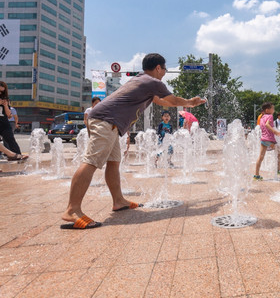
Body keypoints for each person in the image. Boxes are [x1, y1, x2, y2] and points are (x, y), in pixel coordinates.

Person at [60, 53, 206, 230]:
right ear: (158, 68)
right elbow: (172, 100)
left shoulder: (141, 81)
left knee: (113, 162)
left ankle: (118, 201)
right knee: (91, 162)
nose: (165, 73)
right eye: (164, 69)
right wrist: (190, 102)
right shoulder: (152, 82)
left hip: (110, 123)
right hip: (105, 121)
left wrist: (185, 103)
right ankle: (72, 210)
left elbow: (161, 101)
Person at [253, 102, 280, 181]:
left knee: (260, 157)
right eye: (272, 108)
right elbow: (267, 125)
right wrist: (276, 132)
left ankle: (256, 175)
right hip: (270, 139)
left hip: (263, 139)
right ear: (267, 110)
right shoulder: (270, 116)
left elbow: (262, 126)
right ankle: (279, 169)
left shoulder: (262, 117)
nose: (274, 110)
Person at [0, 82, 22, 155]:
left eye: (2, 92)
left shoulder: (6, 99)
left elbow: (9, 115)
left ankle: (18, 156)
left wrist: (5, 105)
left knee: (10, 139)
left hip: (4, 123)